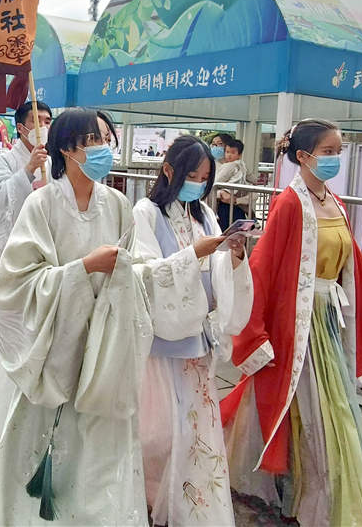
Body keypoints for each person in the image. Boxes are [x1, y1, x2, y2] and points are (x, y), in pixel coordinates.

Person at [220, 118, 362, 527]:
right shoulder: (291, 203)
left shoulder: (335, 202)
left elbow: (353, 267)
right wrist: (258, 332)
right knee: (314, 410)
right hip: (298, 325)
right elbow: (265, 266)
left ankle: (313, 494)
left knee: (325, 408)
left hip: (325, 322)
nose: (335, 158)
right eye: (328, 152)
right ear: (303, 157)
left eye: (338, 151)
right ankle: (308, 495)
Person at [0, 108, 156, 525]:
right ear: (67, 148)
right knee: (45, 444)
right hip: (52, 351)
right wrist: (80, 270)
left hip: (102, 349)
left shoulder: (118, 204)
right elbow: (13, 285)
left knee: (98, 457)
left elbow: (136, 269)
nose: (103, 150)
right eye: (92, 141)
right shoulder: (41, 204)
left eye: (105, 140)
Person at [133, 135, 253, 527]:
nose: (199, 183)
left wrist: (231, 256)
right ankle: (151, 498)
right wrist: (194, 255)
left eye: (205, 177)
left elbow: (215, 267)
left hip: (197, 338)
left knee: (196, 425)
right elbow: (144, 274)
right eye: (193, 175)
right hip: (162, 340)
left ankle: (190, 503)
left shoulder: (203, 212)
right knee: (159, 430)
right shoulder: (146, 213)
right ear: (169, 170)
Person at [0, 101, 52, 423]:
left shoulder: (54, 162)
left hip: (43, 264)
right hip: (10, 263)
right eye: (39, 120)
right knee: (3, 339)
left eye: (49, 120)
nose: (45, 125)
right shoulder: (2, 162)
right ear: (22, 128)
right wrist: (26, 173)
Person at [215, 138, 248, 229]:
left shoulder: (230, 166)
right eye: (227, 152)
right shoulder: (242, 165)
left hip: (227, 203)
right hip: (234, 201)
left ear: (239, 154)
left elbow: (217, 181)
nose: (229, 155)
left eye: (232, 153)